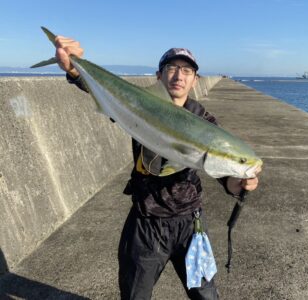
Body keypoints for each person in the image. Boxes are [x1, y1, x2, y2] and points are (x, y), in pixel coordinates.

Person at [55, 35, 260, 300]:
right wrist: (73, 68)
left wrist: (239, 182)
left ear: (195, 80)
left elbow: (223, 173)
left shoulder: (204, 121)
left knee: (207, 296)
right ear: (159, 76)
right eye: (172, 68)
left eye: (187, 70)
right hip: (146, 222)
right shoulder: (139, 105)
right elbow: (108, 93)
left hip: (190, 223)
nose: (179, 75)